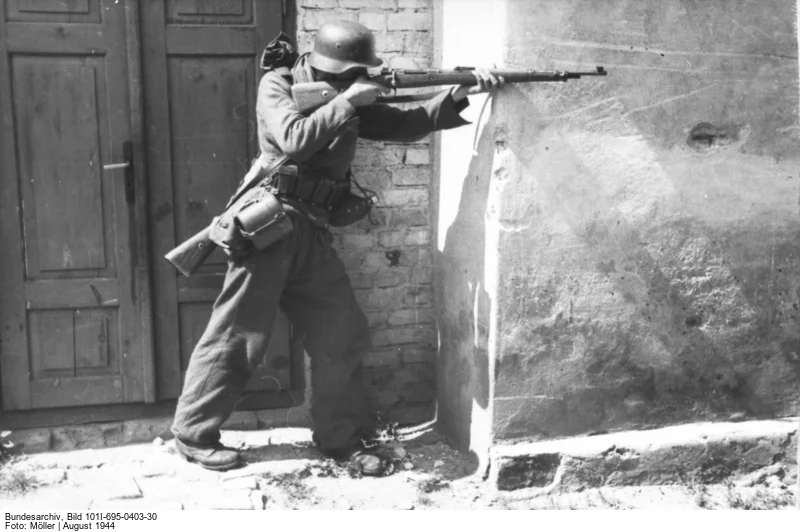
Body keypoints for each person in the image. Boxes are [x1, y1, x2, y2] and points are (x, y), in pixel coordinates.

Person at [170, 21, 503, 476]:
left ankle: (337, 438)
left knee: (341, 333)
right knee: (237, 336)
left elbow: (407, 123)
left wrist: (463, 91)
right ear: (329, 65)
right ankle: (192, 434)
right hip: (267, 225)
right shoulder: (281, 84)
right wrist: (348, 100)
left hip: (311, 230)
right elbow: (293, 140)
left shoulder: (348, 93)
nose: (350, 81)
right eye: (346, 75)